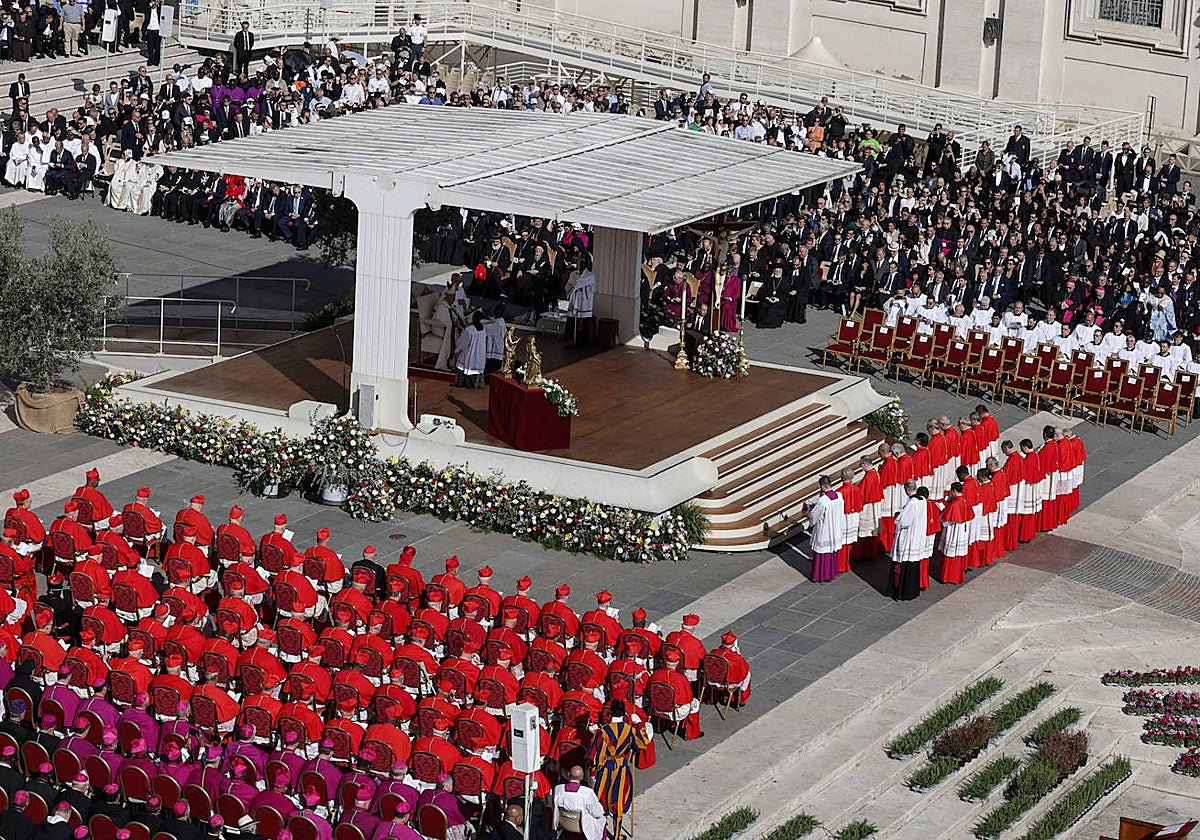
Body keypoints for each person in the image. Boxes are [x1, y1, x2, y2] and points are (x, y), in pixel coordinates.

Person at [889, 480, 925, 600]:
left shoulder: (912, 503)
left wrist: (898, 517)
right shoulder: (922, 500)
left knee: (902, 564)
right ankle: (912, 591)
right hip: (917, 537)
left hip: (908, 538)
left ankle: (900, 592)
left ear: (906, 489)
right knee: (913, 566)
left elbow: (904, 522)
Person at [804, 476, 844, 583]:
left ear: (822, 486)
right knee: (831, 551)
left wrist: (809, 513)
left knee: (821, 553)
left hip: (825, 529)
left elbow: (814, 516)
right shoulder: (839, 496)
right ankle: (831, 573)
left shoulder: (823, 501)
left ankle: (819, 576)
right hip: (835, 528)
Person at [552, 766, 605, 840]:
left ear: (568, 775)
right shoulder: (587, 793)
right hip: (581, 827)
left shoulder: (558, 789)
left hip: (564, 823)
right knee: (602, 820)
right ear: (582, 777)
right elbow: (597, 813)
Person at [454, 311, 487, 389]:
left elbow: (463, 343)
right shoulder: (483, 328)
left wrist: (457, 350)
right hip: (479, 354)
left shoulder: (469, 329)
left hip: (470, 353)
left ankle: (463, 383)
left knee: (465, 364)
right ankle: (473, 383)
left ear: (473, 318)